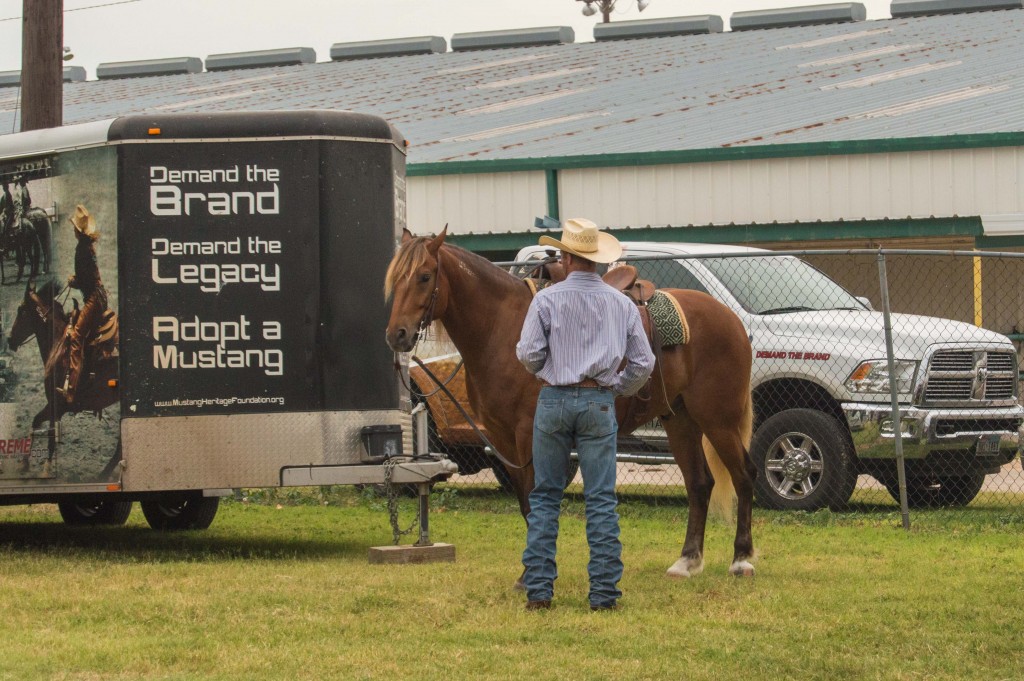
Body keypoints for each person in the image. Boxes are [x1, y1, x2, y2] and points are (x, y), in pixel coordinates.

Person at [515, 217, 655, 612]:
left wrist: (546, 369)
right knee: (600, 499)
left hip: (554, 400)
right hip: (598, 402)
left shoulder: (545, 299)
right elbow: (643, 362)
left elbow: (527, 354)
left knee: (544, 497)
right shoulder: (620, 303)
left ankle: (539, 591)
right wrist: (619, 386)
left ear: (565, 256)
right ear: (595, 259)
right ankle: (604, 595)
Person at [59, 204, 108, 405]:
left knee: (77, 335)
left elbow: (85, 281)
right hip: (99, 295)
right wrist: (77, 278)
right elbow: (88, 276)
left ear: (77, 231)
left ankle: (72, 391)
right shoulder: (88, 246)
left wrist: (74, 281)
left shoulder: (81, 250)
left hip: (93, 298)